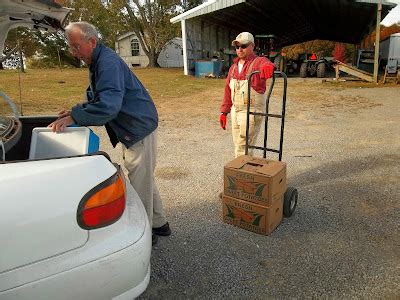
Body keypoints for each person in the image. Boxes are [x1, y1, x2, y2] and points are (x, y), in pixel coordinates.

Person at [48, 22, 170, 245]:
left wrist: (75, 118)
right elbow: (101, 97)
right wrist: (78, 111)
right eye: (71, 47)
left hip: (137, 127)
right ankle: (160, 223)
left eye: (76, 47)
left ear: (92, 42)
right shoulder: (98, 60)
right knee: (143, 178)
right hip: (136, 124)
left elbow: (108, 107)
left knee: (138, 181)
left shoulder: (107, 63)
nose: (73, 52)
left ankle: (145, 236)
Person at [219, 32, 275, 157]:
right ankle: (243, 172)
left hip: (251, 111)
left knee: (243, 148)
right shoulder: (233, 67)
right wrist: (224, 112)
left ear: (252, 46)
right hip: (235, 111)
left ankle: (241, 173)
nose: (240, 49)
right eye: (237, 47)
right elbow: (228, 90)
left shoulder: (257, 62)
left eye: (243, 46)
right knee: (238, 144)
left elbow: (264, 62)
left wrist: (268, 66)